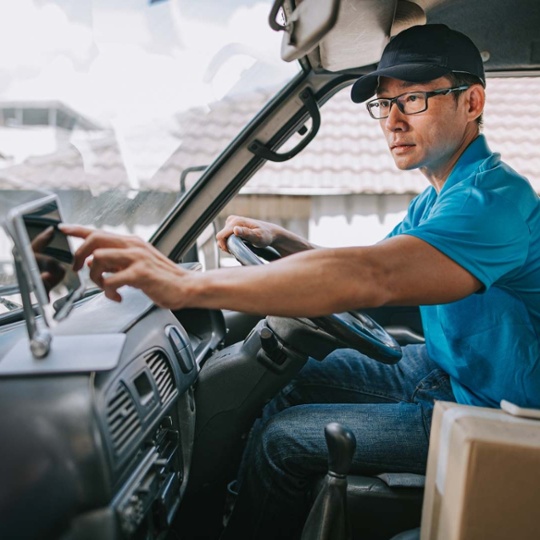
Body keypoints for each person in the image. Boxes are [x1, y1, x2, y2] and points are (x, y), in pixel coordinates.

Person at [61, 23, 540, 539]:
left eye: (416, 100)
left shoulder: (489, 204)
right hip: (448, 372)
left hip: (494, 412)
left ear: (471, 102)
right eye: (384, 104)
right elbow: (373, 262)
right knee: (289, 382)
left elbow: (371, 278)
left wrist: (185, 285)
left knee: (282, 441)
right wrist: (285, 242)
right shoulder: (441, 197)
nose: (393, 121)